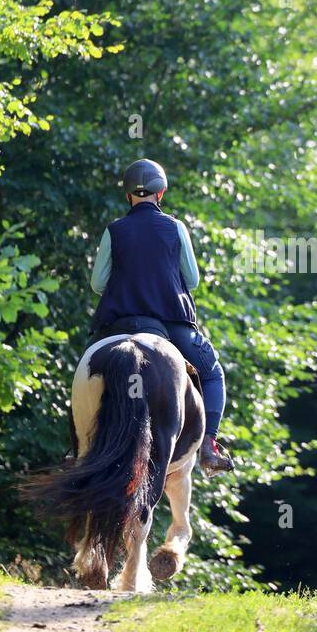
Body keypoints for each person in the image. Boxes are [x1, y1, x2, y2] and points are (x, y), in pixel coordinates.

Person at [90, 158, 234, 474]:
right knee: (211, 372)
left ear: (128, 195)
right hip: (172, 325)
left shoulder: (114, 230)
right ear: (162, 192)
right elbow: (192, 280)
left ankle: (77, 448)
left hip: (123, 323)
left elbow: (98, 283)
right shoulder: (175, 227)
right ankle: (209, 446)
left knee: (87, 369)